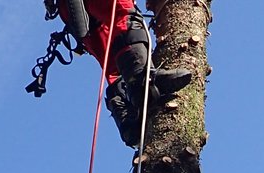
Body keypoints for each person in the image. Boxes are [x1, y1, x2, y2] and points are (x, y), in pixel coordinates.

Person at [49, 0, 191, 147]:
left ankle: (129, 119)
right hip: (77, 8)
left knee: (113, 62)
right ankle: (142, 80)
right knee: (125, 17)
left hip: (73, 10)